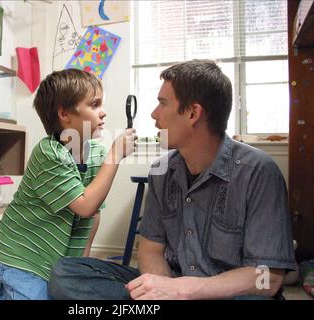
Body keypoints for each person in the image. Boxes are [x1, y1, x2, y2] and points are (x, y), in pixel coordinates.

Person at [48, 59, 296, 300]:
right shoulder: (161, 171)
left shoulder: (258, 172)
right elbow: (149, 250)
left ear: (192, 113)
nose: (154, 114)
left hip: (226, 292)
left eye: (162, 104)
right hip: (174, 284)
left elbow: (269, 279)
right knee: (65, 273)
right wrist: (164, 289)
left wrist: (184, 291)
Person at [0, 69, 136, 300]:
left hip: (57, 260)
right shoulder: (49, 153)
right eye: (95, 104)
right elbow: (84, 206)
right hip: (21, 258)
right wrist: (116, 155)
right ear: (65, 113)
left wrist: (83, 263)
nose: (104, 112)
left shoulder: (97, 153)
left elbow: (93, 212)